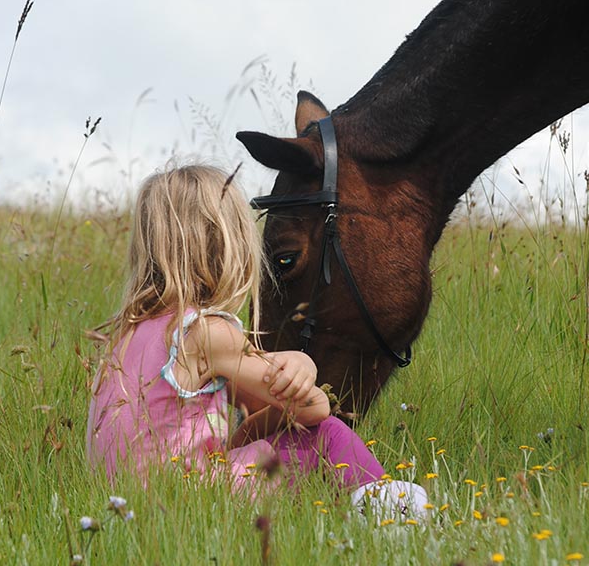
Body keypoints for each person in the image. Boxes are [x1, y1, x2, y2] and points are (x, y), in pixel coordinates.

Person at [86, 163, 428, 521]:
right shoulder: (205, 333)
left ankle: (328, 519)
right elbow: (313, 409)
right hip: (188, 500)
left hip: (130, 506)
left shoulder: (127, 336)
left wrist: (286, 380)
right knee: (324, 434)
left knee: (269, 439)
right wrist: (303, 364)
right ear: (227, 245)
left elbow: (250, 410)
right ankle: (391, 513)